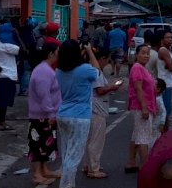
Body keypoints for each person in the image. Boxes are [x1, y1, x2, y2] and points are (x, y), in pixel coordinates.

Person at [55, 40, 99, 188]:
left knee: (67, 151)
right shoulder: (85, 69)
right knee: (74, 157)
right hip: (80, 117)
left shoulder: (58, 71)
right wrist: (90, 52)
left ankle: (69, 184)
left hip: (63, 114)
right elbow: (97, 72)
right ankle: (66, 185)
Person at [27, 42, 62, 186]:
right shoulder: (43, 71)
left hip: (47, 114)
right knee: (37, 144)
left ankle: (44, 169)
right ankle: (36, 174)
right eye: (57, 51)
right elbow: (44, 95)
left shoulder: (47, 69)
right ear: (51, 54)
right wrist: (50, 113)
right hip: (41, 116)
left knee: (46, 145)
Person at [83, 50, 121, 179]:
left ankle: (89, 165)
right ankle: (93, 168)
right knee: (96, 140)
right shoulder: (96, 72)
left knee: (90, 139)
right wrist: (112, 88)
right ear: (101, 59)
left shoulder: (89, 70)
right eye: (107, 60)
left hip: (92, 108)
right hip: (97, 109)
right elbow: (99, 91)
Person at [125, 44, 157, 174]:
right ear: (137, 54)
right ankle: (145, 167)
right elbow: (138, 89)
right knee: (144, 138)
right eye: (143, 53)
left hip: (145, 106)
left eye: (148, 53)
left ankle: (131, 162)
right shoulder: (137, 68)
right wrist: (144, 107)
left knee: (137, 135)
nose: (146, 55)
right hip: (141, 107)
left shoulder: (142, 68)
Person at [0, 22, 20, 131]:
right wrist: (18, 36)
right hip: (8, 75)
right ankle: (1, 123)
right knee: (4, 102)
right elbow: (24, 50)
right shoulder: (7, 46)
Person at [156, 30, 172, 122]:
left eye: (171, 37)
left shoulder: (168, 50)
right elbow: (171, 67)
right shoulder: (163, 50)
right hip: (166, 83)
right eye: (167, 37)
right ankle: (163, 130)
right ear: (162, 39)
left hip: (170, 82)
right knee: (166, 109)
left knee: (167, 108)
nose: (170, 39)